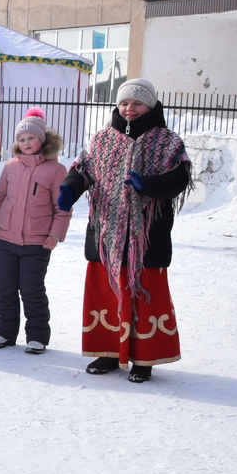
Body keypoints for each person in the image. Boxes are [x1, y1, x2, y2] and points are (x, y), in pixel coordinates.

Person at [58, 78, 190, 382]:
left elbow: (180, 179)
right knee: (106, 294)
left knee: (146, 295)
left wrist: (151, 186)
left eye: (137, 102)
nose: (130, 108)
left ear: (151, 105)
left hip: (149, 236)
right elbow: (82, 170)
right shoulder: (102, 139)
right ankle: (106, 354)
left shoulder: (168, 141)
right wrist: (69, 189)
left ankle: (145, 359)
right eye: (124, 103)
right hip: (106, 234)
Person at [0, 109, 70, 353]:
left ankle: (38, 336)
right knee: (3, 287)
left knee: (31, 289)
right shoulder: (11, 166)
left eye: (31, 138)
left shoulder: (55, 170)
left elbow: (62, 207)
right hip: (6, 237)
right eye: (21, 139)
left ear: (42, 140)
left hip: (37, 241)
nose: (26, 143)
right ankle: (4, 332)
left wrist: (55, 235)